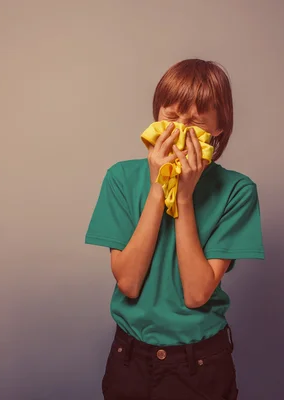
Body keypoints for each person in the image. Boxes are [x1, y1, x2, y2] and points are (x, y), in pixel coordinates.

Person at [85, 59, 265, 400]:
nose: (181, 129)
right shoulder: (121, 179)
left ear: (218, 130)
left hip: (200, 365)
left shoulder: (237, 191)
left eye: (195, 122)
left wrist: (182, 197)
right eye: (172, 117)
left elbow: (197, 294)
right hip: (130, 360)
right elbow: (129, 282)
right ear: (157, 116)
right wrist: (158, 189)